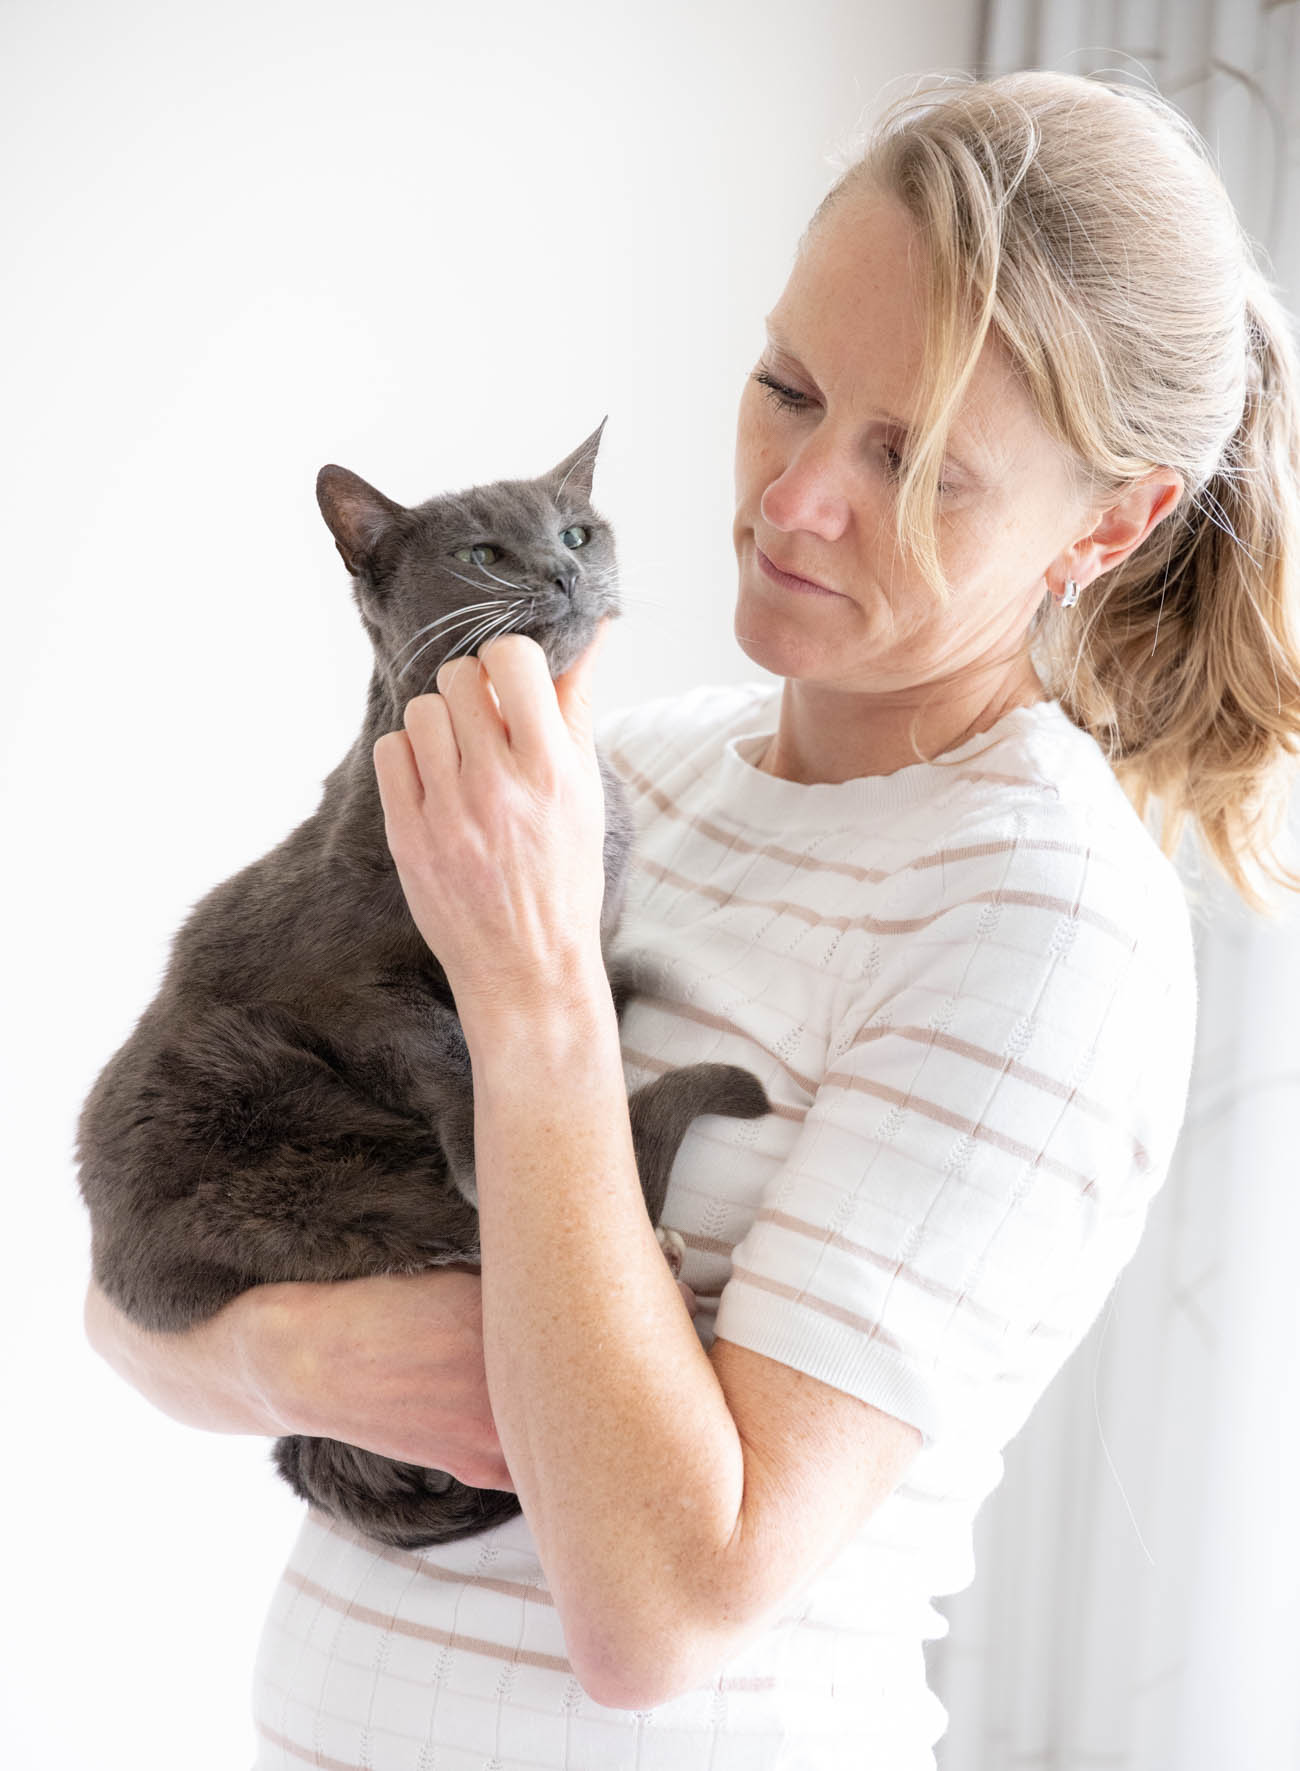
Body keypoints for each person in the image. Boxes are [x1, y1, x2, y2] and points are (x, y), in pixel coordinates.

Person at [84, 67, 1300, 1770]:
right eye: (787, 388)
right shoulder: (638, 771)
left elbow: (656, 1612)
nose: (797, 498)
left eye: (918, 461)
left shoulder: (1047, 924)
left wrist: (532, 1001)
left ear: (1115, 522)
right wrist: (298, 1356)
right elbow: (132, 1303)